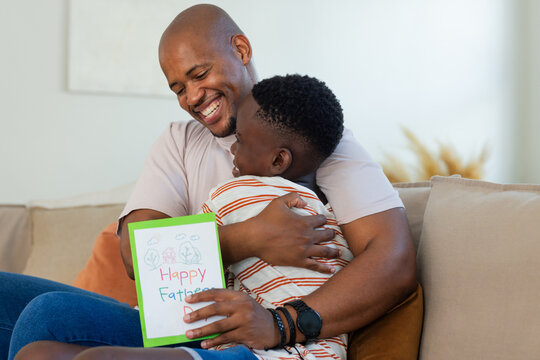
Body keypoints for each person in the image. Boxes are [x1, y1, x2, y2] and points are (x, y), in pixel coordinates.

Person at [4, 4, 419, 360]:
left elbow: (393, 260)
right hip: (184, 322)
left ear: (240, 49)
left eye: (199, 74)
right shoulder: (181, 141)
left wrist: (282, 323)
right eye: (178, 88)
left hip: (254, 339)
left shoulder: (310, 135)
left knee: (47, 317)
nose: (191, 97)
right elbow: (134, 254)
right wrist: (246, 237)